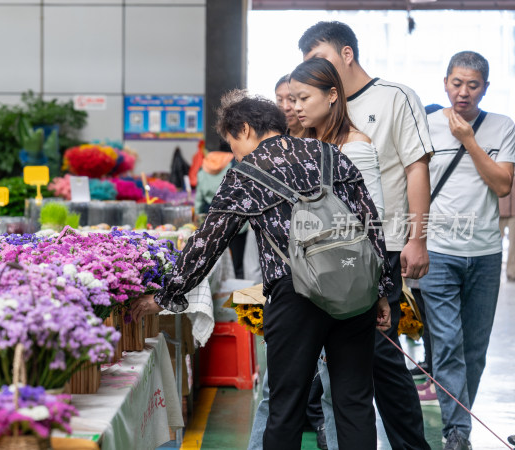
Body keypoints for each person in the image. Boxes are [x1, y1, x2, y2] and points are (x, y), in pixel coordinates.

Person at [131, 90, 392, 449]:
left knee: (286, 405)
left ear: (247, 129)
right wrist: (380, 290)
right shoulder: (331, 154)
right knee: (355, 400)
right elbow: (370, 222)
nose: (233, 153)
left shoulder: (246, 174)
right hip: (353, 288)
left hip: (295, 295)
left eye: (232, 141)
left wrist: (165, 295)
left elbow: (208, 242)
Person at [300, 21, 433, 450]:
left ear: (346, 54)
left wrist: (417, 238)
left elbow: (416, 167)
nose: (313, 72)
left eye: (319, 59)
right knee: (340, 359)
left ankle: (411, 445)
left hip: (383, 247)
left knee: (379, 355)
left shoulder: (396, 97)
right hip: (328, 253)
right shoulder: (319, 106)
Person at [247, 57, 387, 450]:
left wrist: (380, 288)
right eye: (290, 99)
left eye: (302, 97)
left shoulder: (353, 148)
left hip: (341, 281)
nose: (294, 106)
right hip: (314, 279)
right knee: (333, 396)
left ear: (332, 96)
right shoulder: (314, 147)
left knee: (344, 397)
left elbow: (370, 222)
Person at [419, 51, 514, 450]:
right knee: (446, 344)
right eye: (457, 83)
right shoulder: (425, 126)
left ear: (485, 88)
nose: (463, 92)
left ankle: (458, 422)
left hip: (487, 253)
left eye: (472, 85)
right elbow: (415, 185)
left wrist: (469, 141)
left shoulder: (502, 127)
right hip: (439, 250)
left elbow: (503, 185)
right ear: (445, 83)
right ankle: (457, 431)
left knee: (474, 350)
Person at [194, 141, 249, 278]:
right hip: (235, 218)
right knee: (237, 259)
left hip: (212, 216)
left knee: (212, 257)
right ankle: (236, 288)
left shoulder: (205, 165)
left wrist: (197, 213)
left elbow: (199, 195)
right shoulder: (235, 164)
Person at [500, 178, 515, 281]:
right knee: (494, 242)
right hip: (498, 210)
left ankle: (512, 272)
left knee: (513, 244)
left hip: (514, 213)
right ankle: (494, 269)